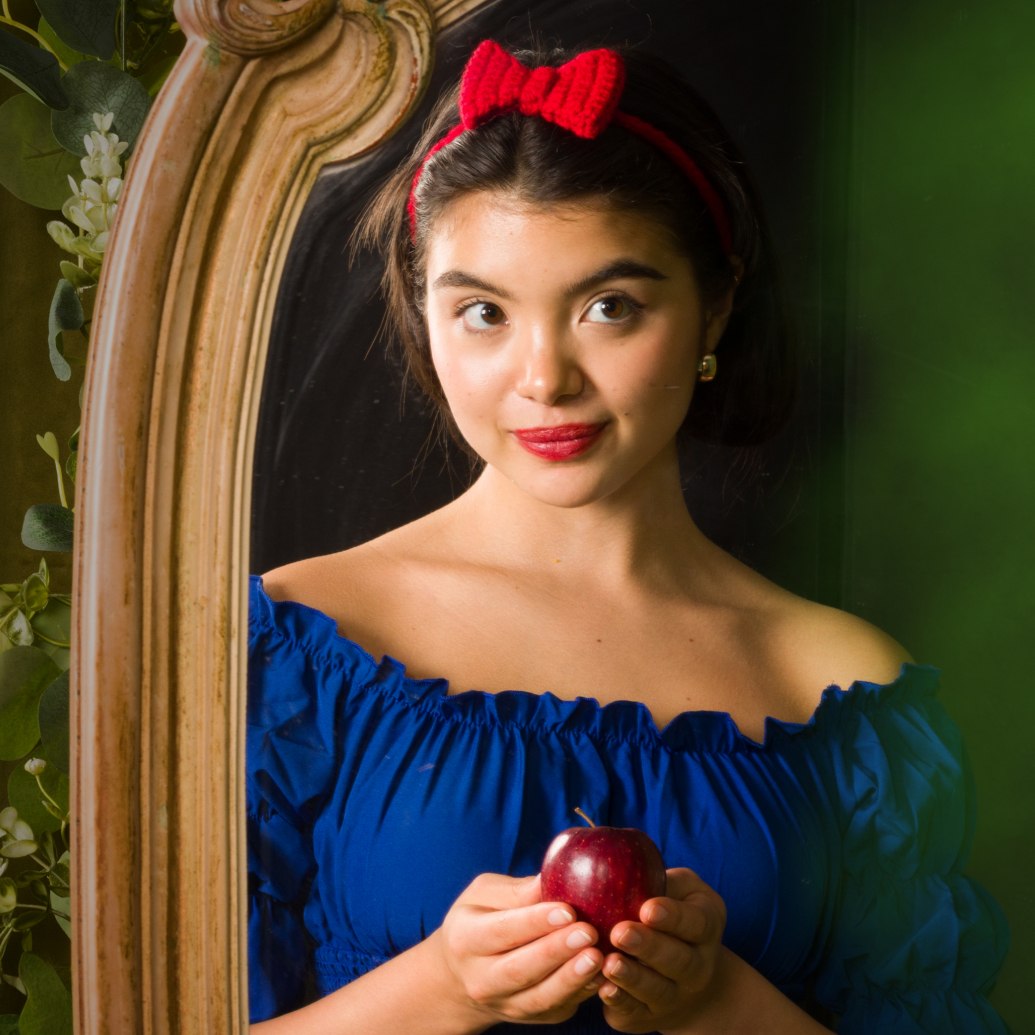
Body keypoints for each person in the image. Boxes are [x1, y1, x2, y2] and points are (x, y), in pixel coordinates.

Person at [246, 39, 1009, 1034]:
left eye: (610, 307)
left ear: (713, 309)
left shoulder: (843, 696)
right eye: (482, 312)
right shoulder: (300, 647)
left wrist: (717, 999)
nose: (544, 378)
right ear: (424, 313)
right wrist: (443, 986)